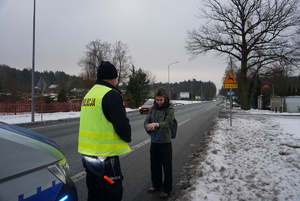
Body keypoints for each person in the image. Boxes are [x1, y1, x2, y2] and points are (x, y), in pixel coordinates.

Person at [78, 61, 131, 201]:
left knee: (94, 192)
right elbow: (122, 125)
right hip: (105, 156)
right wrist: (127, 137)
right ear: (113, 77)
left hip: (88, 155)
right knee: (112, 192)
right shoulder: (110, 94)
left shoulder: (89, 94)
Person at [144, 87, 174, 199]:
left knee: (166, 166)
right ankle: (156, 185)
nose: (159, 102)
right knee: (154, 165)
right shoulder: (153, 109)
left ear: (165, 98)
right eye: (157, 100)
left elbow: (168, 122)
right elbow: (147, 120)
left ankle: (167, 189)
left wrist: (156, 125)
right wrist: (147, 126)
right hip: (154, 141)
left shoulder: (170, 108)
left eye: (161, 100)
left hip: (165, 142)